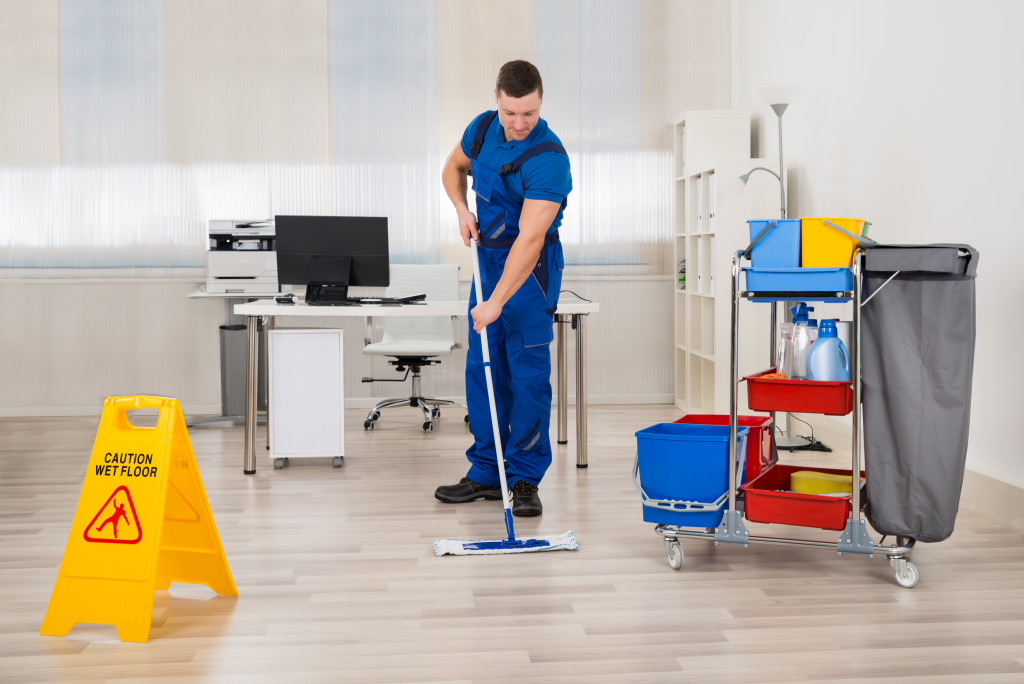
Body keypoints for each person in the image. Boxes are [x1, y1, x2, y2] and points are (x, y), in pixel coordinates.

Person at [435, 60, 572, 517]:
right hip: (486, 259)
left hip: (529, 272)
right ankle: (486, 471)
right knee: (484, 367)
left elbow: (530, 240)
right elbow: (452, 168)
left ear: (540, 102)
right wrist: (461, 209)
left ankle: (525, 478)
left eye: (528, 114)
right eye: (511, 112)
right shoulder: (480, 130)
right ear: (497, 98)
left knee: (527, 372)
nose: (518, 124)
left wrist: (495, 301)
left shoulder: (549, 159)